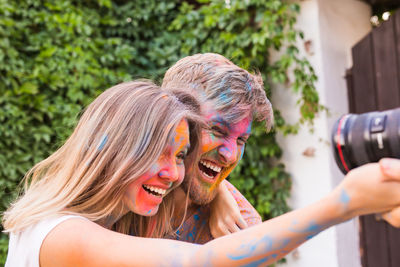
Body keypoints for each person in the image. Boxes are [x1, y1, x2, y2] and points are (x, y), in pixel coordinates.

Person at [3, 80, 400, 266]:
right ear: (114, 146)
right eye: (158, 152)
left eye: (179, 155)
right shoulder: (61, 236)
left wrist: (216, 189)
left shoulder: (112, 218)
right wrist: (344, 203)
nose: (172, 172)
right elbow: (200, 262)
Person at [162, 53, 271, 242]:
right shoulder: (120, 179)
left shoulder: (241, 229)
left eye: (240, 140)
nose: (230, 156)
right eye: (217, 130)